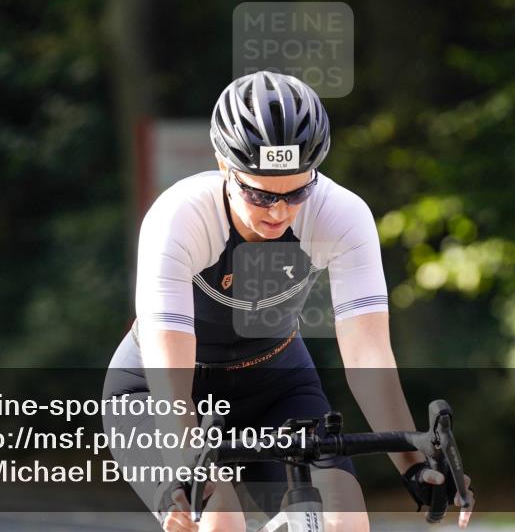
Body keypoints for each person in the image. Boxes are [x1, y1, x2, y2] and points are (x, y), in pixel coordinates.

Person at [103, 71, 473, 532]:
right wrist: (184, 464)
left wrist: (413, 464)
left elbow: (368, 354)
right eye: (259, 194)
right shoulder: (179, 217)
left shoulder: (341, 214)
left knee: (344, 523)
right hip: (160, 390)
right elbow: (169, 368)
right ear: (224, 166)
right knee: (218, 522)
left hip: (277, 384)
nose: (278, 211)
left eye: (297, 191)